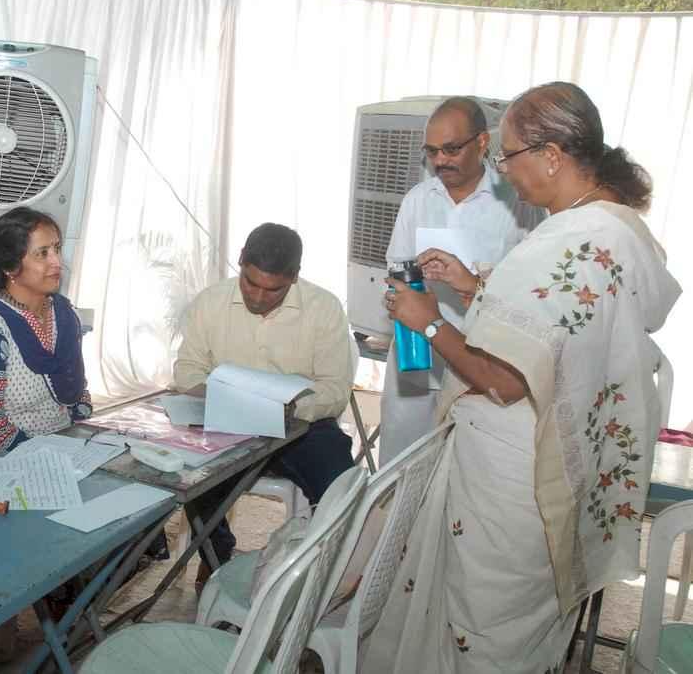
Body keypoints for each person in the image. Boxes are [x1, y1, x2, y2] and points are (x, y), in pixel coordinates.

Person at [366, 82, 681, 673]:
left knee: (483, 632)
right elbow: (560, 331)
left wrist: (429, 322)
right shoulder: (611, 227)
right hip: (558, 457)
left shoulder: (571, 241)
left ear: (552, 156)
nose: (505, 172)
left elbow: (505, 379)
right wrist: (474, 287)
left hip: (517, 474)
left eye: (508, 155)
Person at [174, 222, 357, 588]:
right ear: (241, 260)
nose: (257, 297)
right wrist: (213, 395)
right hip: (227, 419)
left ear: (294, 276)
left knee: (339, 480)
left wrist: (288, 410)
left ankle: (327, 568)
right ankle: (215, 555)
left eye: (272, 290)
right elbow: (187, 369)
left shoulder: (323, 308)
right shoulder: (211, 302)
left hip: (299, 426)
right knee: (190, 471)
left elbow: (335, 389)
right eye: (250, 283)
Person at [380, 96, 544, 465]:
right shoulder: (417, 199)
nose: (440, 160)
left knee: (467, 463)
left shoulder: (517, 201)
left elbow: (532, 288)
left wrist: (472, 280)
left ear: (482, 142)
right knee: (402, 460)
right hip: (417, 353)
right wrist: (407, 281)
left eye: (451, 149)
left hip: (484, 359)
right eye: (432, 151)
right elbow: (395, 268)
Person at [0, 206, 92, 454]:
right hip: (12, 458)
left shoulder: (64, 315)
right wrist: (51, 456)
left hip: (67, 445)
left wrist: (83, 438)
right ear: (11, 267)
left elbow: (78, 391)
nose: (57, 262)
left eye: (57, 249)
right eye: (42, 253)